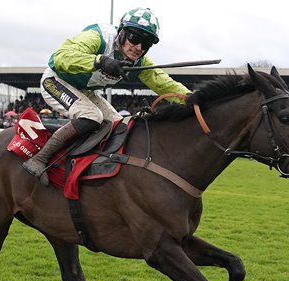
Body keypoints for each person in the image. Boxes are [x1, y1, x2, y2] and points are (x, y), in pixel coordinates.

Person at [23, 7, 191, 185]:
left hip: (84, 90)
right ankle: (39, 159)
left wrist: (194, 99)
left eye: (146, 43)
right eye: (135, 38)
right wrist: (100, 61)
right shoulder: (99, 36)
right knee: (92, 116)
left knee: (120, 125)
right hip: (55, 80)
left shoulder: (140, 60)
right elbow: (59, 58)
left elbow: (164, 83)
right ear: (122, 31)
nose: (139, 47)